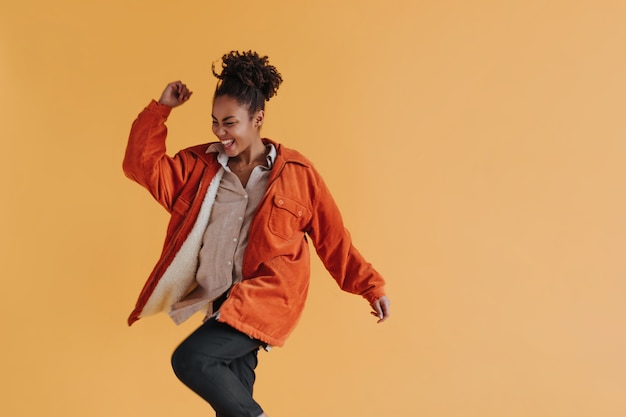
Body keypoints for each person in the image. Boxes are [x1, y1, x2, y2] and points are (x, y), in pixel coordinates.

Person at [123, 50, 390, 417]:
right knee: (231, 407)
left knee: (192, 359)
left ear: (257, 118)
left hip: (265, 299)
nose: (220, 132)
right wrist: (161, 109)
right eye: (215, 122)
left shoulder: (298, 173)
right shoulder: (198, 169)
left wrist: (369, 287)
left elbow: (333, 238)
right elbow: (141, 166)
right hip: (220, 299)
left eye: (230, 122)